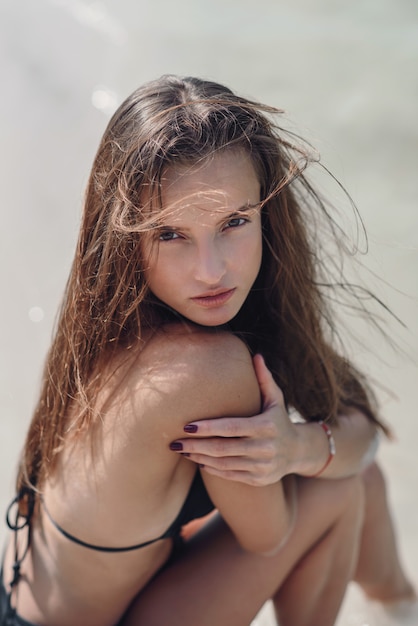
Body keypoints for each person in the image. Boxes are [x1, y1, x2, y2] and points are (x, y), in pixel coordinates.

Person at [1, 75, 416, 626]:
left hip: (51, 595)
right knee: (342, 490)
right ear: (126, 238)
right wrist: (302, 451)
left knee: (349, 475)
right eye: (171, 234)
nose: (211, 270)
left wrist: (296, 449)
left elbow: (357, 423)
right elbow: (270, 536)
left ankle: (398, 607)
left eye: (235, 222)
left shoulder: (117, 319)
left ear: (269, 215)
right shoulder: (208, 367)